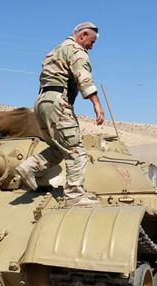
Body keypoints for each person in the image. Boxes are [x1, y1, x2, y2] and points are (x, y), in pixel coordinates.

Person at [15, 22, 105, 205]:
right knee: (76, 150)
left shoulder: (55, 50)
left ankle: (29, 167)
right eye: (91, 41)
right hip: (58, 102)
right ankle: (74, 196)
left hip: (41, 102)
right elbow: (83, 77)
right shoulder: (76, 50)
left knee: (59, 149)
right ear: (82, 36)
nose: (92, 46)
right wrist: (97, 104)